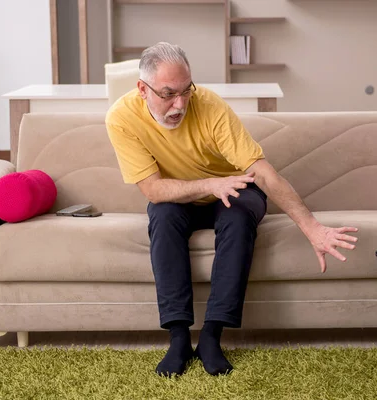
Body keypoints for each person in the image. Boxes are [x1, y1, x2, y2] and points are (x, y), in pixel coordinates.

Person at [105, 42, 359, 377]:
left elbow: (263, 172)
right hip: (183, 196)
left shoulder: (209, 107)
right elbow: (152, 188)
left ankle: (212, 336)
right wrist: (207, 186)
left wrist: (311, 227)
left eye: (186, 90)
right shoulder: (122, 119)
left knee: (238, 216)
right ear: (142, 89)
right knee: (162, 215)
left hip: (235, 190)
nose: (180, 104)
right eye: (168, 94)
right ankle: (178, 338)